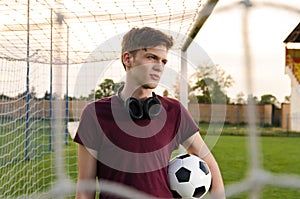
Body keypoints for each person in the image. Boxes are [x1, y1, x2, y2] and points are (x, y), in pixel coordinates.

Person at [74, 26, 225, 199]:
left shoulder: (174, 111)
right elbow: (85, 189)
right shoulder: (94, 114)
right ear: (127, 58)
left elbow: (209, 163)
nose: (159, 67)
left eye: (163, 61)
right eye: (151, 57)